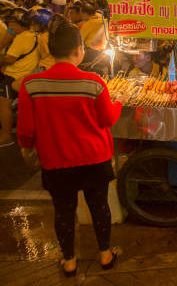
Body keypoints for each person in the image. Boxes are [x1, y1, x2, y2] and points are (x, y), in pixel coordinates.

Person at [17, 15, 123, 277]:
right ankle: (105, 254)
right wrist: (118, 103)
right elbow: (107, 119)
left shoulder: (31, 85)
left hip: (56, 161)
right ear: (79, 50)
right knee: (99, 206)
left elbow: (26, 132)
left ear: (51, 51)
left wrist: (27, 147)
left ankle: (69, 261)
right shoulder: (92, 83)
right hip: (94, 159)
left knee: (64, 211)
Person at [0, 9, 39, 146]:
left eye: (12, 24)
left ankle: (6, 135)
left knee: (3, 103)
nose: (10, 27)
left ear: (21, 23)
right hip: (21, 72)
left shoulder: (23, 37)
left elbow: (10, 59)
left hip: (15, 74)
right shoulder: (31, 34)